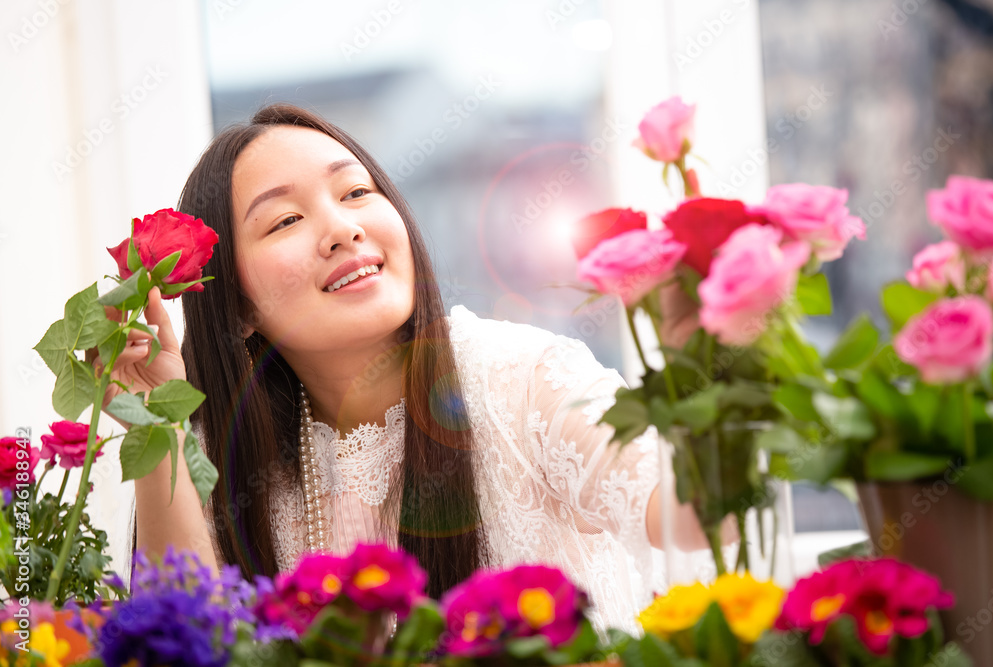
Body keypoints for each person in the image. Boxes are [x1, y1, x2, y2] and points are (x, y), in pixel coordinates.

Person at [101, 104, 713, 634]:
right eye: (286, 220)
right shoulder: (226, 457)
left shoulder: (522, 379)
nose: (344, 229)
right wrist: (159, 427)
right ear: (236, 307)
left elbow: (696, 522)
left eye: (356, 192)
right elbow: (179, 643)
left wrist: (705, 362)